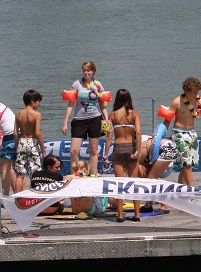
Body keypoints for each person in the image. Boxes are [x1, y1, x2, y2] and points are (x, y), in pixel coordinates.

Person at [61, 60, 109, 177]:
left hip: (95, 119)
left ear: (93, 71)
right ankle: (76, 174)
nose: (86, 73)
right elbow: (71, 104)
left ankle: (93, 174)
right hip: (79, 120)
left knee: (93, 150)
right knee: (74, 151)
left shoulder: (97, 85)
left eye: (88, 70)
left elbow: (103, 105)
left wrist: (107, 121)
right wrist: (65, 123)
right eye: (84, 70)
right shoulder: (77, 84)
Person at [166, 76, 201, 188]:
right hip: (179, 134)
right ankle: (192, 192)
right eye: (193, 92)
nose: (195, 94)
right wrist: (159, 136)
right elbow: (167, 120)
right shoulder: (177, 101)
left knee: (188, 165)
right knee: (186, 164)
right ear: (186, 91)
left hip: (192, 134)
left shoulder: (199, 101)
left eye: (197, 91)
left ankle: (178, 190)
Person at [104, 89, 142, 222]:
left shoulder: (112, 115)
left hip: (118, 149)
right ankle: (137, 215)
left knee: (119, 184)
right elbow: (138, 133)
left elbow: (109, 136)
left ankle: (120, 215)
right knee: (134, 183)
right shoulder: (135, 114)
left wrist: (105, 155)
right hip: (131, 148)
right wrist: (137, 150)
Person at [13, 89, 45, 192]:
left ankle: (17, 199)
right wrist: (43, 149)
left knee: (20, 173)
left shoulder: (18, 114)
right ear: (32, 101)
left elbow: (14, 133)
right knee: (35, 173)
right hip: (32, 142)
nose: (38, 104)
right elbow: (37, 133)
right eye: (38, 101)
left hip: (21, 141)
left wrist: (16, 145)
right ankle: (35, 197)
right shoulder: (36, 114)